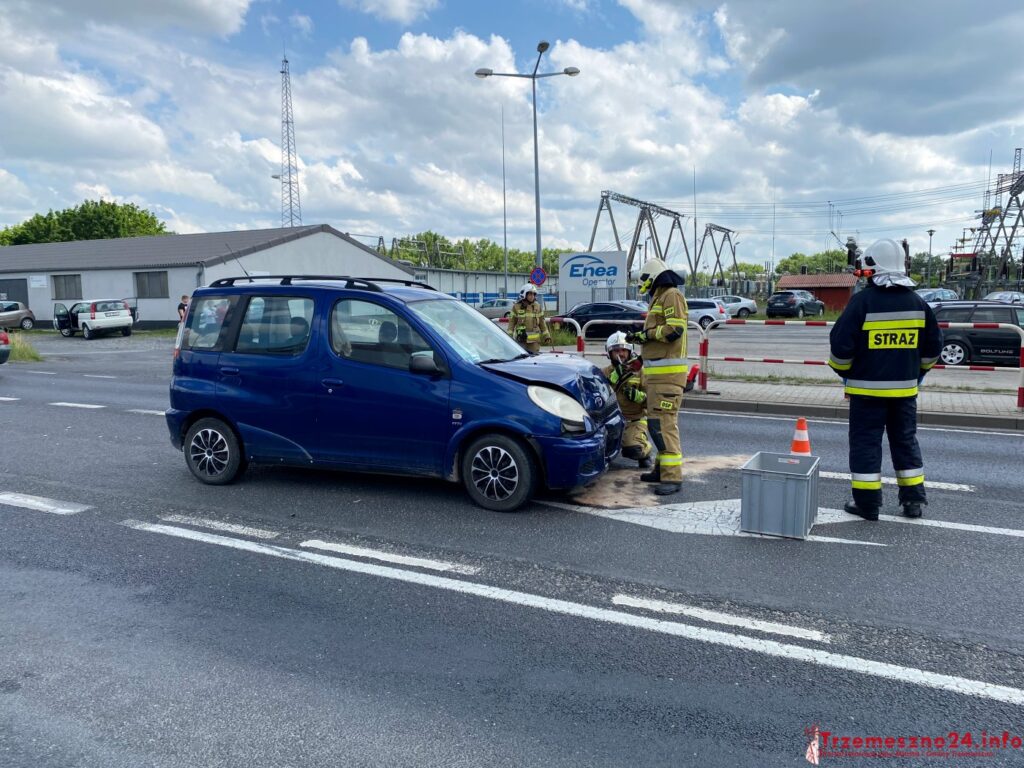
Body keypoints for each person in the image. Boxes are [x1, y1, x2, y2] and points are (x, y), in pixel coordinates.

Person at [828, 238, 942, 520]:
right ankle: (913, 502)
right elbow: (933, 350)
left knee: (866, 445)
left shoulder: (862, 302)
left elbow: (840, 349)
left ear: (872, 268)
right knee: (905, 443)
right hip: (904, 394)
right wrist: (916, 374)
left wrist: (847, 373)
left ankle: (867, 505)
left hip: (866, 394)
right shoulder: (918, 304)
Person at [625, 258, 688, 496]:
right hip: (657, 378)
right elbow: (658, 341)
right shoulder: (659, 298)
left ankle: (673, 477)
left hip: (668, 378)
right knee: (656, 425)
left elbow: (674, 330)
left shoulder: (671, 295)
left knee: (664, 426)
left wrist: (647, 335)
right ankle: (661, 470)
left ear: (651, 277)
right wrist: (640, 353)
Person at [602, 331, 652, 469]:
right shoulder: (604, 373)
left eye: (624, 350)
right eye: (616, 350)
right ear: (609, 353)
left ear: (630, 352)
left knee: (633, 450)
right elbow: (598, 397)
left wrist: (639, 396)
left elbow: (652, 401)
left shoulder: (640, 372)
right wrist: (612, 379)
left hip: (634, 420)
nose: (621, 354)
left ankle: (645, 449)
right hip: (610, 422)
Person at [508, 283, 552, 353]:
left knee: (534, 358)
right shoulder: (516, 307)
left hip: (534, 342)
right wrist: (509, 337)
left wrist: (547, 336)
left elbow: (542, 323)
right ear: (524, 294)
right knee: (521, 357)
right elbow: (511, 322)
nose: (532, 296)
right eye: (530, 294)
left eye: (534, 294)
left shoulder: (538, 307)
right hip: (521, 340)